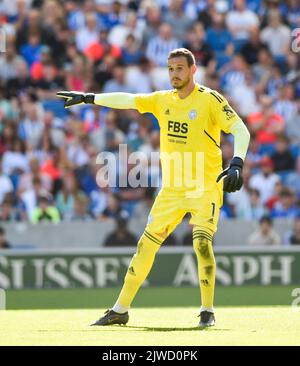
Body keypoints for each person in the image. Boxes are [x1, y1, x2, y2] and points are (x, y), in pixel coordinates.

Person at [57, 47, 250, 328]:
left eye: (180, 68)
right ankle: (120, 309)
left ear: (193, 70)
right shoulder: (162, 100)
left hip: (204, 188)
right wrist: (89, 98)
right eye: (170, 69)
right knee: (145, 247)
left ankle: (207, 310)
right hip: (171, 191)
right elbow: (129, 100)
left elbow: (241, 129)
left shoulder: (210, 100)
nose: (174, 74)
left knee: (201, 244)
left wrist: (237, 163)